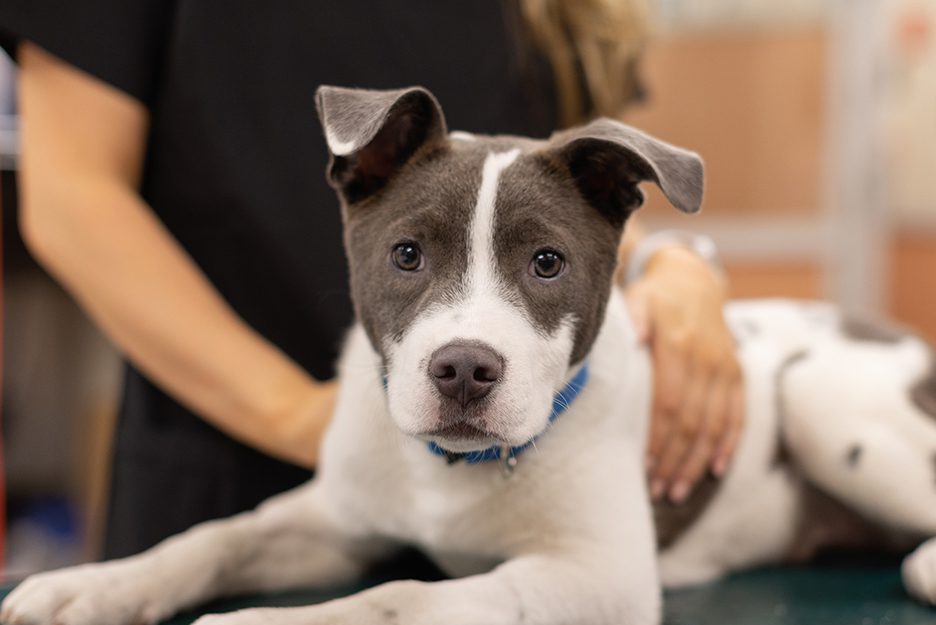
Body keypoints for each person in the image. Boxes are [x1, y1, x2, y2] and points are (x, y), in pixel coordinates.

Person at [0, 0, 744, 559]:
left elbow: (553, 196)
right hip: (237, 464)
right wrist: (301, 415)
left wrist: (672, 264)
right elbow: (73, 196)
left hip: (511, 500)